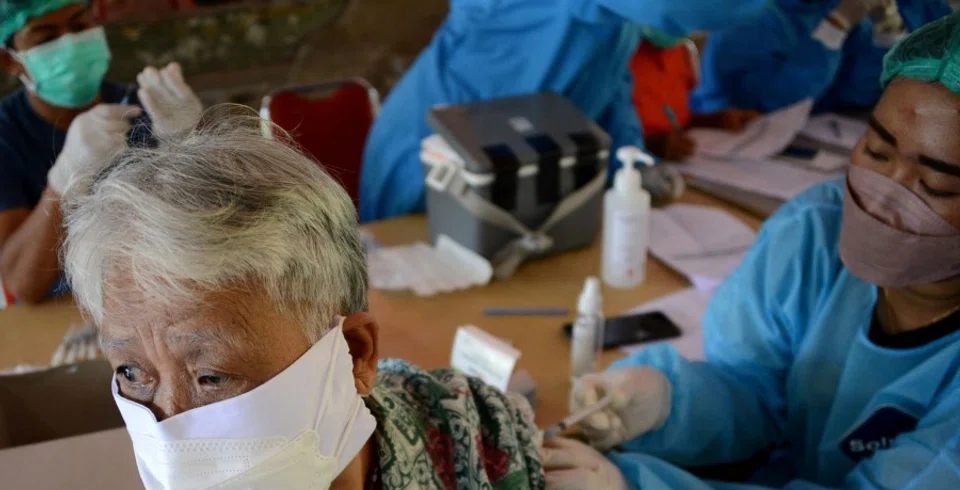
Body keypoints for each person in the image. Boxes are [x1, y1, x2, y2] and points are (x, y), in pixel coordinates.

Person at [65, 119, 672, 490]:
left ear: (353, 353)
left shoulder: (466, 433)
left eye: (212, 376)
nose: (170, 425)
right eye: (132, 373)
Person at [544, 13, 960, 490]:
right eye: (877, 150)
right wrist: (668, 402)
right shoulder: (815, 232)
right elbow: (760, 389)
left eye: (936, 183)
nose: (885, 194)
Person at [359, 0, 769, 222]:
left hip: (516, 165)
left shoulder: (614, 19)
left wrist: (631, 165)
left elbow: (608, 80)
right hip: (436, 155)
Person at [0, 0, 202, 304]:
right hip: (66, 311)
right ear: (9, 61)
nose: (70, 44)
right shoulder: (7, 136)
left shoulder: (147, 106)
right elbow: (21, 284)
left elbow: (203, 239)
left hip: (159, 297)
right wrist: (63, 181)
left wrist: (189, 147)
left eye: (81, 27)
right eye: (46, 38)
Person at [691, 0, 951, 116]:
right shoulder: (751, 15)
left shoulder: (827, 7)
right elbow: (768, 102)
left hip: (812, 135)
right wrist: (834, 27)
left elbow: (858, 92)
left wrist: (888, 29)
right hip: (734, 136)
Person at [629, 29, 760, 162]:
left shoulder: (682, 51)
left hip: (687, 164)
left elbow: (676, 118)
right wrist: (649, 146)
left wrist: (716, 120)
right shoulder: (621, 54)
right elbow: (610, 133)